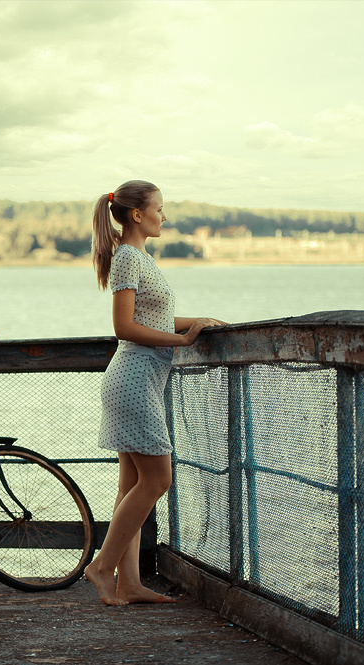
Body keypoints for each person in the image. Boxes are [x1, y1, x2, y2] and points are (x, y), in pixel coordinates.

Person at [84, 179, 225, 606]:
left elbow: (155, 315)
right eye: (160, 209)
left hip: (140, 378)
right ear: (137, 215)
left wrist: (192, 321)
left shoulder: (139, 257)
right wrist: (182, 341)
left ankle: (129, 583)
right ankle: (100, 567)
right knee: (158, 479)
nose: (165, 216)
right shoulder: (128, 258)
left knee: (131, 485)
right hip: (134, 379)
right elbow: (124, 327)